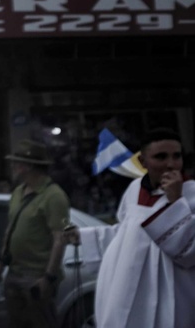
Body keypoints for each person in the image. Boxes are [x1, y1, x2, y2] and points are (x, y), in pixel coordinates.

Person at [64, 128, 195, 327]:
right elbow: (126, 233)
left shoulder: (192, 193)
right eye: (161, 157)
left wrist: (176, 202)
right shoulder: (135, 189)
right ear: (143, 162)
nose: (171, 164)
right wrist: (84, 236)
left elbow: (188, 252)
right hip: (129, 287)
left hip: (174, 293)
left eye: (176, 156)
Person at [0, 140, 69, 328]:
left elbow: (60, 239)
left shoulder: (53, 195)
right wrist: (1, 264)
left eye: (18, 162)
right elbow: (11, 228)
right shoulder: (18, 192)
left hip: (37, 275)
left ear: (30, 166)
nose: (14, 166)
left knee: (42, 322)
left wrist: (48, 278)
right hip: (15, 272)